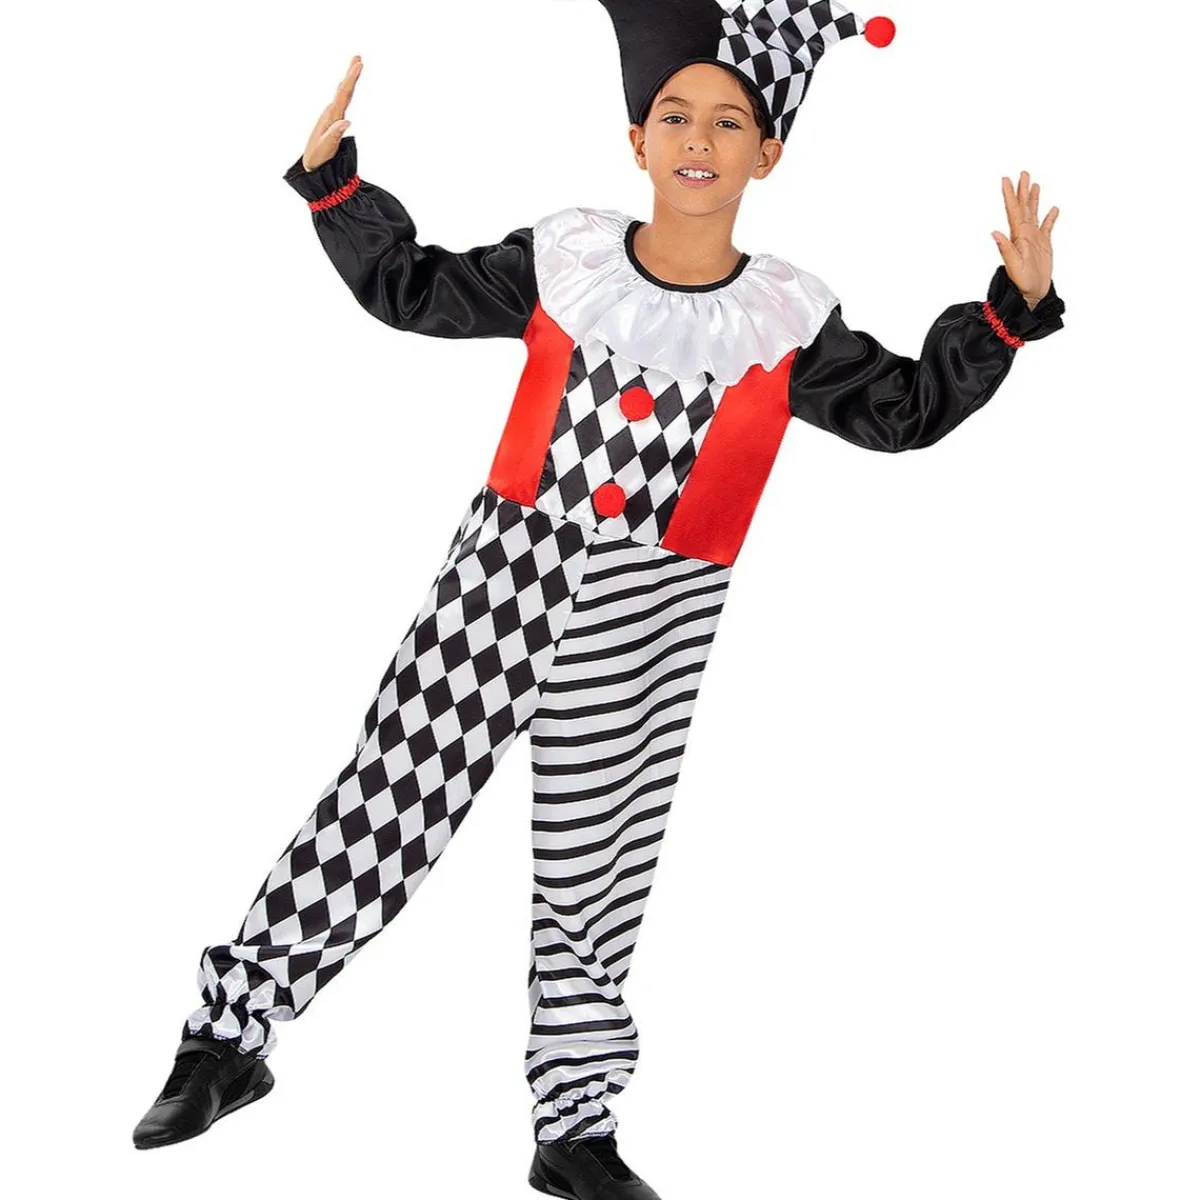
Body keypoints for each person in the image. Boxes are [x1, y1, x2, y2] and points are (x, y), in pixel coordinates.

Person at [132, 3, 1066, 1196]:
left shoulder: (788, 317)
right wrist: (336, 187)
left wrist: (1003, 315)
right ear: (637, 139)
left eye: (726, 121)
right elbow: (414, 289)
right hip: (505, 568)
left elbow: (904, 412)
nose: (697, 138)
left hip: (656, 606)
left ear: (768, 153)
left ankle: (573, 1128)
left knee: (600, 858)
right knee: (387, 798)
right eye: (674, 115)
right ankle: (228, 1038)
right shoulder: (566, 258)